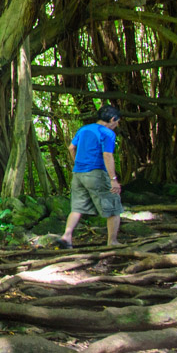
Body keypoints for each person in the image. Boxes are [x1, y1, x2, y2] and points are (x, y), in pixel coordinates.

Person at [60, 105, 122, 248]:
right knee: (113, 207)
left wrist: (78, 163)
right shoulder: (107, 133)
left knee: (77, 208)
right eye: (117, 122)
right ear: (113, 119)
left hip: (78, 174)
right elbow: (107, 155)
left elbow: (71, 148)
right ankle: (112, 242)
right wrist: (113, 180)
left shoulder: (84, 129)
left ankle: (67, 236)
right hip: (96, 174)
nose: (117, 125)